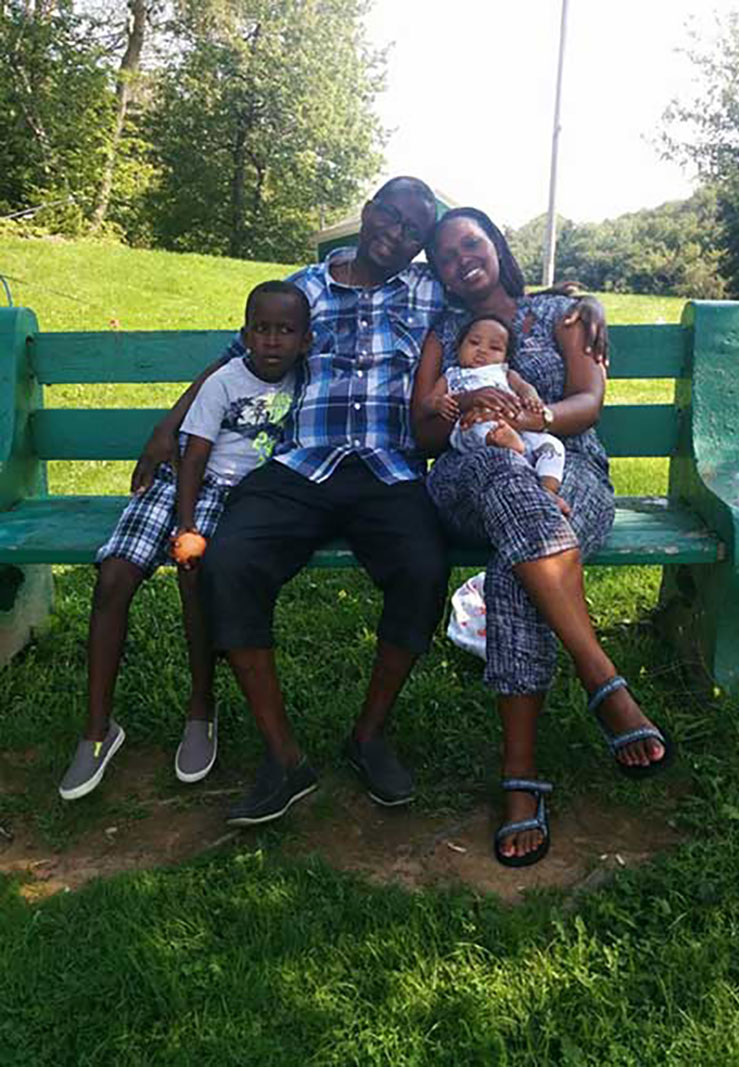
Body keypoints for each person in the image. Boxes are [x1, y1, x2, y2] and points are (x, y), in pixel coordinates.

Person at [128, 176, 609, 828]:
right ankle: (283, 756)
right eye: (391, 216)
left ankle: (369, 734)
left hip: (389, 467)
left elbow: (490, 294)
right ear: (368, 212)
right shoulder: (302, 287)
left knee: (420, 569)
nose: (397, 233)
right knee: (230, 562)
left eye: (413, 230)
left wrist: (575, 299)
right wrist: (170, 425)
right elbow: (236, 359)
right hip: (302, 462)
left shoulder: (426, 289)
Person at [412, 207, 674, 869]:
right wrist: (466, 414)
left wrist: (538, 418)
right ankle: (603, 679)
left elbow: (589, 400)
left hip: (568, 468)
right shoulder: (442, 332)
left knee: (514, 568)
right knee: (501, 467)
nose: (462, 259)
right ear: (439, 272)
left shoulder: (565, 312)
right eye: (445, 255)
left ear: (496, 244)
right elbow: (422, 433)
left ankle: (519, 778)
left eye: (472, 242)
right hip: (468, 473)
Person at [58, 281, 311, 800]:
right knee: (115, 577)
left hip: (243, 500)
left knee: (194, 582)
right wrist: (186, 524)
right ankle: (97, 729)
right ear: (244, 336)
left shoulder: (308, 382)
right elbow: (192, 457)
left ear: (304, 341)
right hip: (188, 487)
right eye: (261, 330)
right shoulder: (222, 381)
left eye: (284, 331)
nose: (271, 341)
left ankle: (201, 711)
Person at [420, 312, 569, 515]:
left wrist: (532, 398)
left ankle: (546, 490)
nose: (482, 351)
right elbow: (427, 402)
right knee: (477, 428)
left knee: (554, 446)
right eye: (474, 342)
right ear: (459, 347)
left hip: (517, 429)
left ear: (505, 357)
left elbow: (525, 388)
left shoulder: (505, 373)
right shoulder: (451, 376)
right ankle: (504, 443)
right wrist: (439, 403)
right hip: (472, 428)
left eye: (495, 348)